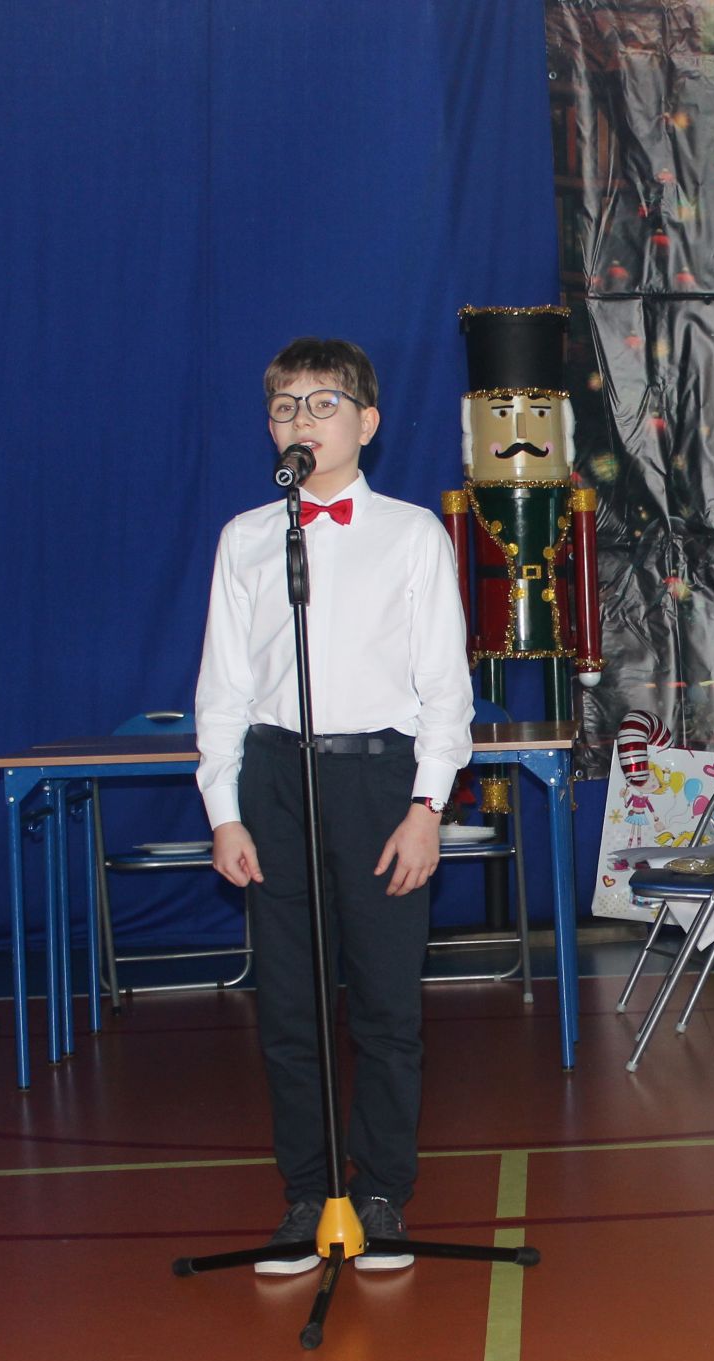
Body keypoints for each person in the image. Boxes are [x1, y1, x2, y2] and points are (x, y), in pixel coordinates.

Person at [193, 337, 473, 1275]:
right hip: (277, 780)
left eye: (322, 405)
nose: (301, 422)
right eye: (285, 408)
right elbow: (224, 689)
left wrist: (427, 805)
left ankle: (381, 1192)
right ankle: (308, 1194)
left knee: (386, 1004)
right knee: (290, 1007)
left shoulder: (412, 535)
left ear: (367, 422)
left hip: (378, 781)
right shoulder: (245, 539)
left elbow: (445, 688)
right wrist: (224, 810)